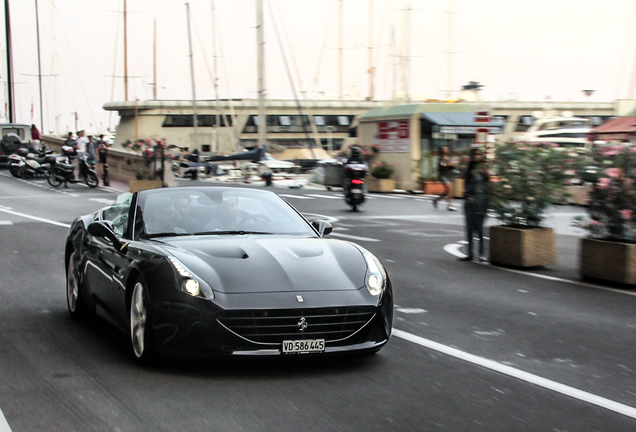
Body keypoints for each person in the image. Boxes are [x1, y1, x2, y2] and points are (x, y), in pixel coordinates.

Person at [461, 146, 490, 262]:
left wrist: (487, 203)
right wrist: (466, 192)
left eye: (478, 154)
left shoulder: (484, 171)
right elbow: (466, 185)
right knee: (469, 228)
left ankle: (482, 253)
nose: (476, 156)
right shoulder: (469, 170)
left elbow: (488, 187)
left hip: (481, 202)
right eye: (474, 154)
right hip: (469, 202)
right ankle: (470, 253)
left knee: (480, 229)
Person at [432, 146, 456, 211]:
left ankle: (436, 200)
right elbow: (442, 166)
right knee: (450, 189)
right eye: (444, 149)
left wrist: (452, 165)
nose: (445, 150)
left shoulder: (448, 158)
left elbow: (451, 166)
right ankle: (450, 205)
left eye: (446, 149)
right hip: (443, 176)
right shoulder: (441, 158)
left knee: (447, 191)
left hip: (449, 175)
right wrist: (449, 164)